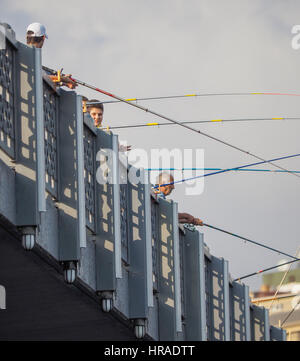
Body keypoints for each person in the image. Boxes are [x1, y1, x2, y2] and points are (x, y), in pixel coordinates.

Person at [26, 22, 77, 89]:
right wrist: (62, 79)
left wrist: (63, 82)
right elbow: (37, 76)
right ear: (43, 37)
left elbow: (43, 77)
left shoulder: (26, 52)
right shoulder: (30, 55)